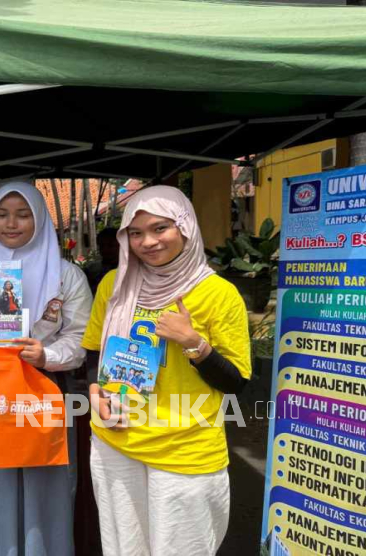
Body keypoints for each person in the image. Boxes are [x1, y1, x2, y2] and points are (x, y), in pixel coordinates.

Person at [83, 186, 251, 556]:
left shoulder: (219, 294)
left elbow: (235, 382)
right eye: (136, 233)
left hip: (183, 450)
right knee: (124, 548)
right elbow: (94, 351)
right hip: (115, 441)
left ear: (185, 227)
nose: (148, 242)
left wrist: (194, 343)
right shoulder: (114, 283)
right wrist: (94, 392)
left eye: (160, 228)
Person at [0, 182, 92, 556]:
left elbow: (81, 337)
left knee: (46, 492)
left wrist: (48, 355)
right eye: (2, 214)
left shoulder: (65, 275)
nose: (12, 224)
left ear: (39, 219)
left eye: (23, 215)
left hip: (41, 390)